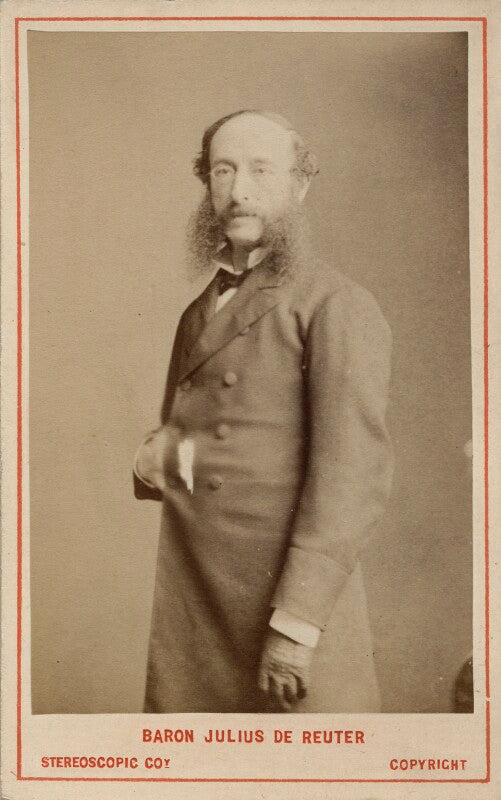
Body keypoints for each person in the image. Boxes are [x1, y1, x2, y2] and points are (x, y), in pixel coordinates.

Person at [134, 109, 393, 713]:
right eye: (223, 170)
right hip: (200, 603)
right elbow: (196, 446)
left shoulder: (336, 304)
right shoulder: (198, 313)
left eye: (260, 170)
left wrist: (296, 626)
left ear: (299, 186)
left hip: (286, 612)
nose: (239, 190)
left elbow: (351, 480)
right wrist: (152, 460)